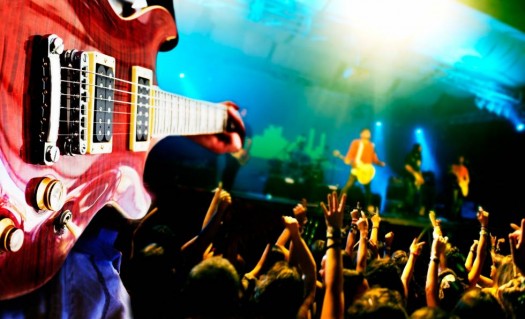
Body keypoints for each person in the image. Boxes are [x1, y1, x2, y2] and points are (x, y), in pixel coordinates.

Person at [338, 128, 386, 209]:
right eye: (365, 132)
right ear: (361, 134)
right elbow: (350, 153)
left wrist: (380, 163)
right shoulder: (356, 143)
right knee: (348, 187)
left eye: (368, 132)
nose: (367, 133)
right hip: (356, 168)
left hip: (366, 170)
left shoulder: (371, 145)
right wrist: (348, 159)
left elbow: (374, 158)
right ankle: (338, 204)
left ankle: (369, 206)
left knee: (368, 190)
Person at [221, 108, 253, 191]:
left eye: (246, 113)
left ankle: (228, 190)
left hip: (239, 152)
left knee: (234, 171)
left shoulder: (247, 126)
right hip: (230, 150)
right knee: (227, 169)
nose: (244, 114)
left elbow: (249, 140)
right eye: (243, 112)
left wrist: (246, 151)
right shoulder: (233, 123)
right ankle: (222, 188)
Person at [403, 143, 425, 216]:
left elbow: (419, 168)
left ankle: (413, 211)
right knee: (409, 193)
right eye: (420, 147)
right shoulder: (410, 155)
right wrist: (414, 173)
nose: (421, 149)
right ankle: (406, 211)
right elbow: (406, 166)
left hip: (416, 178)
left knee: (416, 194)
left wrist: (420, 177)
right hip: (409, 177)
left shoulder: (419, 156)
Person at [445, 155, 470, 220]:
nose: (461, 160)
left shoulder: (465, 169)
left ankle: (457, 215)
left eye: (462, 159)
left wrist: (464, 183)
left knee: (460, 202)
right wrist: (453, 174)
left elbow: (468, 179)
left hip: (462, 187)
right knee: (454, 201)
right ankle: (452, 216)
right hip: (455, 186)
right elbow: (448, 173)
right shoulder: (454, 167)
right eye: (460, 159)